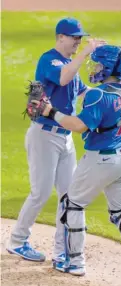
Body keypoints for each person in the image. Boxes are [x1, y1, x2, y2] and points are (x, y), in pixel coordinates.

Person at [42, 45, 121, 284]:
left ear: (107, 68)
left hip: (100, 160)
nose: (94, 67)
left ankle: (73, 262)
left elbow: (78, 125)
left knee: (72, 205)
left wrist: (50, 111)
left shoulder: (98, 95)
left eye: (97, 64)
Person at [7, 17, 105, 262]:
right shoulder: (49, 60)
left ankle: (62, 249)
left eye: (80, 38)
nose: (77, 41)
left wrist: (114, 92)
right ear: (61, 37)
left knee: (68, 195)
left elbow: (82, 90)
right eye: (75, 37)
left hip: (65, 138)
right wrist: (85, 54)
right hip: (44, 136)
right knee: (40, 193)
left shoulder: (70, 63)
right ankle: (17, 241)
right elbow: (62, 78)